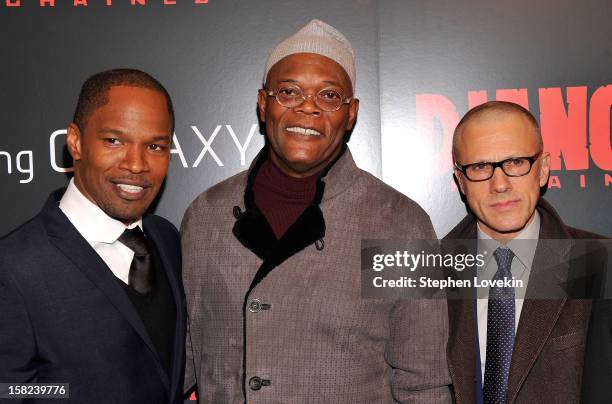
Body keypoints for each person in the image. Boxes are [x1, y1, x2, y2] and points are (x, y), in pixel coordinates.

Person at [182, 19, 451, 403]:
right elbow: (185, 356)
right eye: (289, 92)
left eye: (328, 96)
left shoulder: (397, 222)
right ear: (263, 104)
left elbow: (422, 383)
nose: (307, 108)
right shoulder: (206, 216)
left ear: (351, 113)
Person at [0, 69, 186, 404]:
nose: (136, 164)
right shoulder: (13, 267)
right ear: (76, 142)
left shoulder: (166, 239)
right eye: (114, 141)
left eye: (155, 146)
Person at [445, 101, 604, 403]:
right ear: (460, 181)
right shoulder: (427, 271)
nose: (500, 184)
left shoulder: (601, 263)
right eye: (480, 167)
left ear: (543, 169)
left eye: (516, 162)